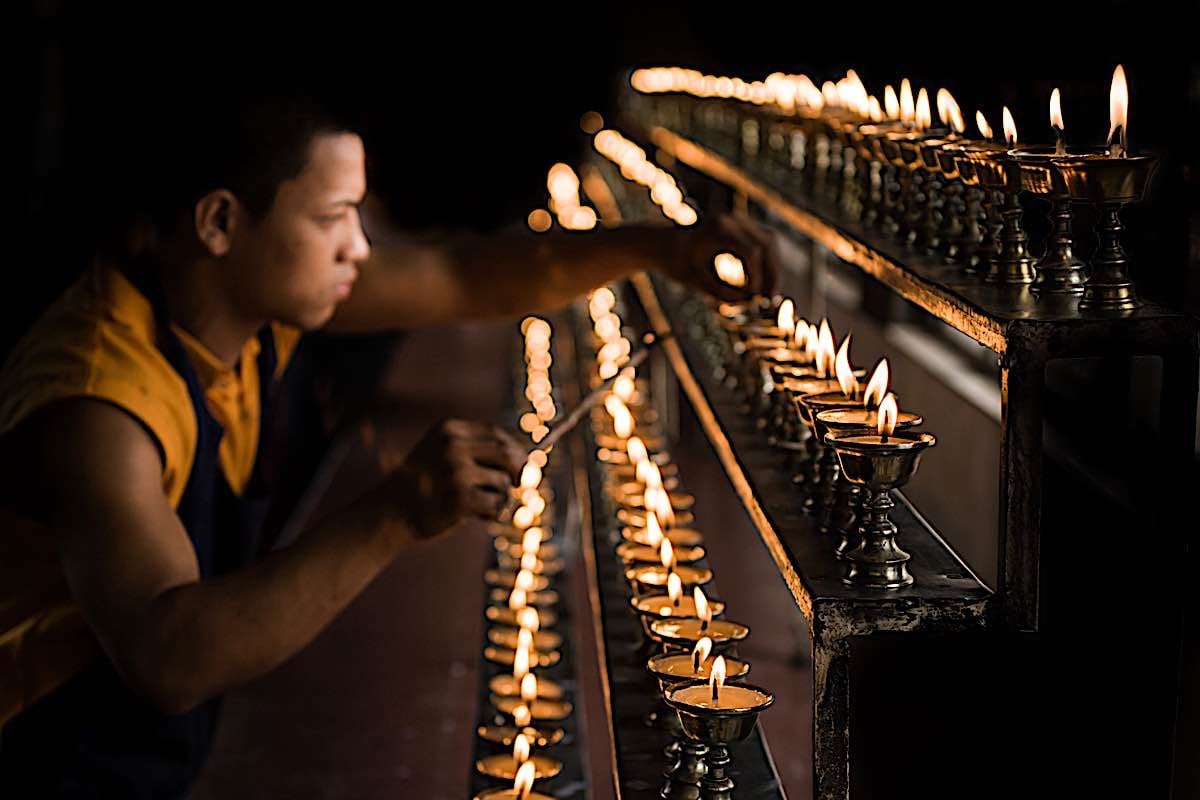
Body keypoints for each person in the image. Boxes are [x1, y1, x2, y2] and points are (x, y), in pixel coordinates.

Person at [0, 87, 779, 797]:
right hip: (55, 761)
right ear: (220, 222)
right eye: (332, 217)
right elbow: (169, 657)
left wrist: (656, 246)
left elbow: (461, 274)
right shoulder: (99, 404)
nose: (360, 248)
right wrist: (397, 512)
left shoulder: (247, 296)